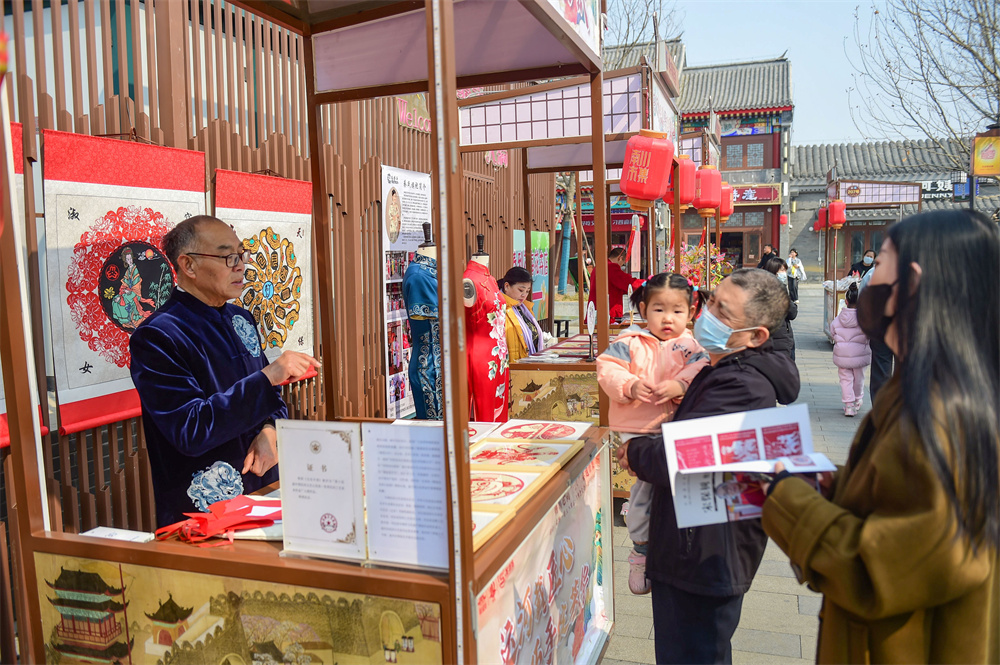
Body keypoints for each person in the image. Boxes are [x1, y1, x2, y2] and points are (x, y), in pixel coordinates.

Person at [760, 209, 999, 663]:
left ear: (910, 282)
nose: (867, 279)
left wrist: (787, 499)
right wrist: (834, 482)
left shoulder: (946, 419)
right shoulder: (922, 393)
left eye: (879, 264)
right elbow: (899, 492)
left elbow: (877, 571)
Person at [617, 268, 800, 664]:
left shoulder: (743, 385)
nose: (709, 314)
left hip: (703, 555)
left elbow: (683, 457)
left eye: (724, 312)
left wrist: (633, 452)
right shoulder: (723, 367)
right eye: (712, 301)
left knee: (694, 652)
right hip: (696, 542)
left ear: (756, 336)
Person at [130, 216, 319, 527]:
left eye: (241, 255)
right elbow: (190, 429)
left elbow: (271, 397)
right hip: (207, 509)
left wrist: (271, 430)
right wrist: (269, 376)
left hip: (267, 489)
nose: (240, 265)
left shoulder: (241, 318)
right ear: (188, 265)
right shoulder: (158, 336)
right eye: (227, 257)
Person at [596, 273, 709, 595]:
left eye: (677, 310)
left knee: (675, 488)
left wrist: (680, 385)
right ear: (644, 310)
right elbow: (606, 369)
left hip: (676, 427)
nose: (668, 318)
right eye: (659, 309)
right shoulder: (627, 343)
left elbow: (701, 368)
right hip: (637, 430)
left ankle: (671, 544)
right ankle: (641, 550)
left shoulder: (691, 346)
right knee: (645, 487)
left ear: (691, 312)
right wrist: (629, 386)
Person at [829, 282, 870, 417]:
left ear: (845, 301)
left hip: (842, 355)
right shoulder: (864, 319)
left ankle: (849, 406)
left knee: (845, 380)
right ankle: (858, 399)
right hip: (859, 354)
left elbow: (833, 333)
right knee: (859, 379)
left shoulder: (838, 319)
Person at [859, 265, 894, 401]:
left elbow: (862, 299)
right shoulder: (917, 267)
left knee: (881, 370)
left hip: (880, 325)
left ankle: (881, 413)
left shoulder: (874, 272)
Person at [498, 267, 546, 362]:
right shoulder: (499, 309)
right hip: (513, 367)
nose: (524, 295)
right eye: (521, 290)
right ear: (507, 286)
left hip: (528, 364)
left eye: (527, 291)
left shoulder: (525, 309)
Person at [588, 247, 641, 322]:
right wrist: (646, 283)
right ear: (620, 258)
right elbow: (627, 282)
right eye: (622, 264)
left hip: (598, 310)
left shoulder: (601, 266)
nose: (621, 267)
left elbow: (616, 287)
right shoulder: (611, 267)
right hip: (609, 312)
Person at [762, 258, 797, 360]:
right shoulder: (778, 289)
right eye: (782, 270)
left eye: (785, 270)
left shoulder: (761, 287)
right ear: (774, 271)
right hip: (780, 337)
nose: (784, 273)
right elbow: (792, 313)